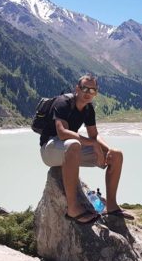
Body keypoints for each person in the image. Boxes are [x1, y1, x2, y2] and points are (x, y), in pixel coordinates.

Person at [39, 74, 134, 224]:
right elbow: (62, 133)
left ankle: (112, 206)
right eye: (85, 88)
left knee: (116, 155)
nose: (88, 93)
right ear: (77, 88)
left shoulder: (88, 109)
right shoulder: (63, 102)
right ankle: (73, 210)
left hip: (70, 149)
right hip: (49, 149)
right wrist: (93, 144)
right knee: (73, 144)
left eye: (93, 90)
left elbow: (94, 135)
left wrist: (108, 150)